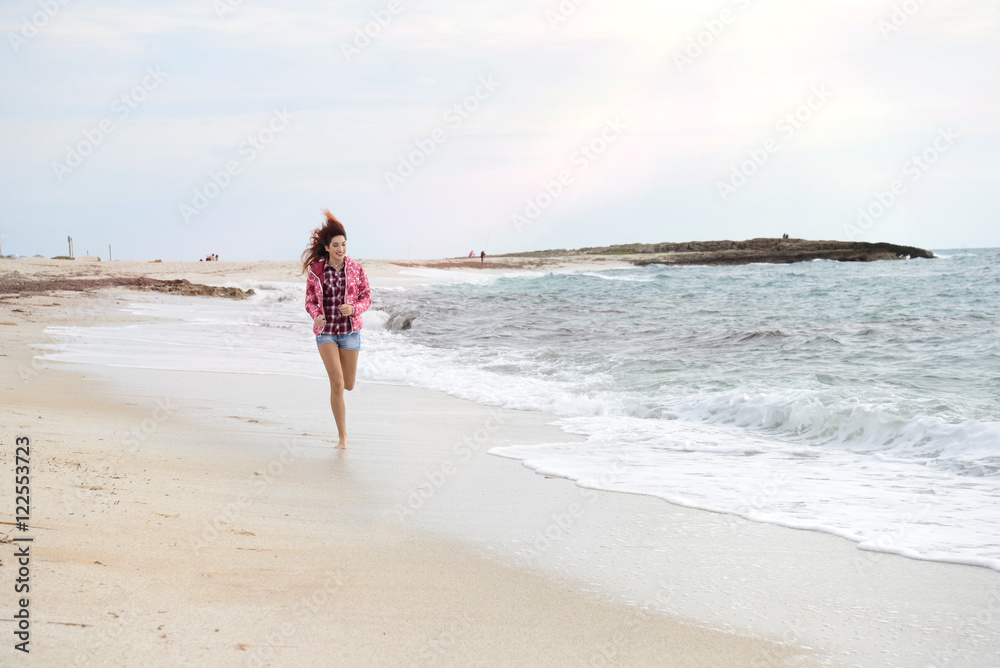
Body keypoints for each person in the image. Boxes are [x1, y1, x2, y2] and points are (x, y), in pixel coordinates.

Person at [303, 210, 372, 449]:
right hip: (326, 333)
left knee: (349, 384)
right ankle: (343, 438)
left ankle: (342, 431)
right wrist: (317, 315)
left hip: (350, 332)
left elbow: (367, 298)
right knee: (336, 382)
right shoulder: (316, 272)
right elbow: (309, 301)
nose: (341, 249)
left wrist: (353, 309)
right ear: (327, 247)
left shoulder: (356, 270)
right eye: (336, 245)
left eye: (343, 244)